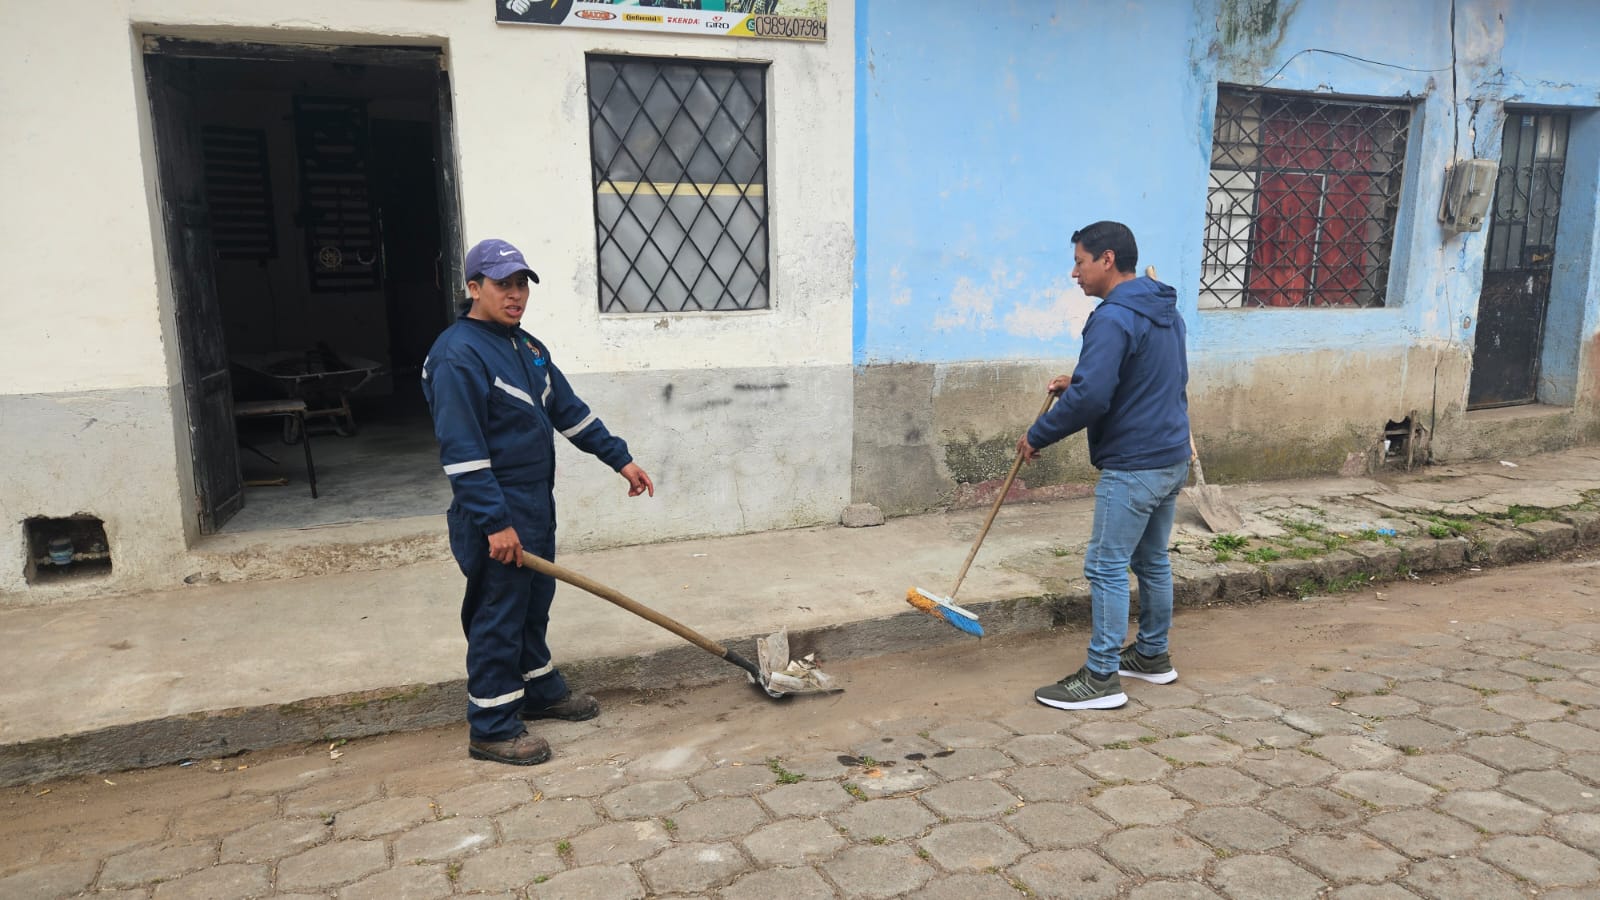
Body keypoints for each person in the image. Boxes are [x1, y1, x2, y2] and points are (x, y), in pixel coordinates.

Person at [423, 238, 655, 765]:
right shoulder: (457, 356)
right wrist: (494, 522)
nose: (515, 295)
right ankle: (491, 726)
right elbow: (463, 452)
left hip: (534, 503)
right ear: (474, 287)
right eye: (502, 284)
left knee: (533, 603)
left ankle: (537, 690)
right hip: (495, 508)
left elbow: (569, 411)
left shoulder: (526, 348)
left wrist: (619, 459)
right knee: (498, 612)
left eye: (522, 284)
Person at [1017, 221, 1191, 711]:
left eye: (1080, 262)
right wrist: (1078, 381)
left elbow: (1095, 399)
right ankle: (1152, 655)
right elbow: (1142, 374)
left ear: (1107, 259)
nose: (1075, 273)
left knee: (1106, 565)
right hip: (1170, 456)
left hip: (1134, 465)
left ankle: (1100, 677)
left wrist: (1038, 434)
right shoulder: (1164, 308)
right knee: (1151, 560)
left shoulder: (1113, 317)